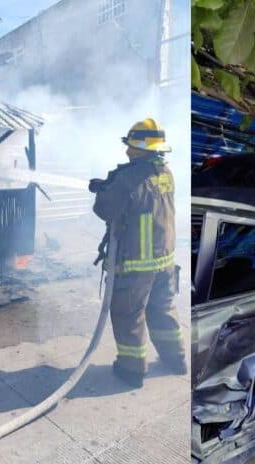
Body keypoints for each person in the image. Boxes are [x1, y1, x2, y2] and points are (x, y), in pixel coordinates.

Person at [89, 118, 186, 388]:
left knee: (129, 315)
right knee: (163, 310)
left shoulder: (128, 178)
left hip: (136, 265)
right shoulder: (165, 172)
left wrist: (105, 190)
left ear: (140, 148)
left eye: (131, 147)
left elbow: (105, 210)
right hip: (165, 261)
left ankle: (131, 369)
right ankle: (176, 359)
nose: (127, 151)